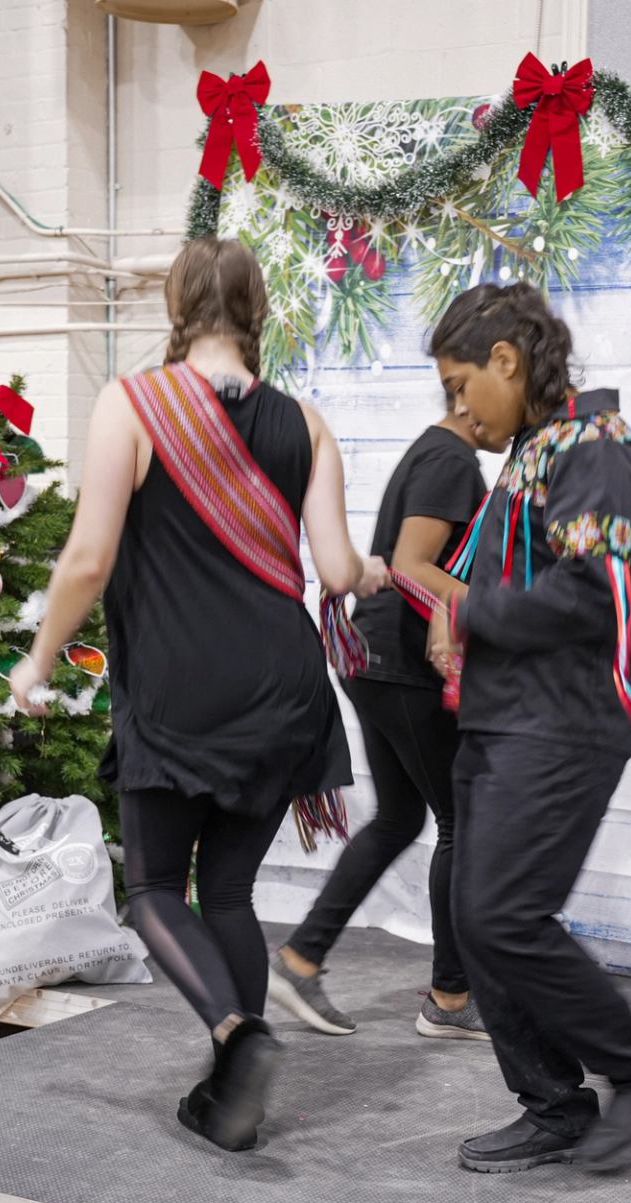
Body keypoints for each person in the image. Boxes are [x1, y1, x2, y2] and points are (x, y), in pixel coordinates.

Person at [9, 236, 384, 1154]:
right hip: (283, 685)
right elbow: (335, 568)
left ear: (175, 307)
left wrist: (39, 659)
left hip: (180, 684)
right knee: (227, 892)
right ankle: (231, 1097)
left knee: (147, 890)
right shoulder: (306, 422)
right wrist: (376, 569)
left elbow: (91, 557)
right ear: (258, 313)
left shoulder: (131, 405)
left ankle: (237, 1036)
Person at [425, 283, 631, 1176]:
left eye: (463, 385)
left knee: (505, 911)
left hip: (563, 721)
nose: (459, 410)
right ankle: (553, 1101)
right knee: (480, 916)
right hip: (508, 717)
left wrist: (472, 613)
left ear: (507, 360)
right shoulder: (539, 448)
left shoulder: (595, 445)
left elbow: (592, 591)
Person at [269, 392, 499, 1043]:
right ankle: (451, 999)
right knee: (461, 819)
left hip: (377, 659)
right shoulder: (451, 460)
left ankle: (299, 958)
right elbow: (412, 566)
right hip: (401, 662)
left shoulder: (436, 452)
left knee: (402, 815)